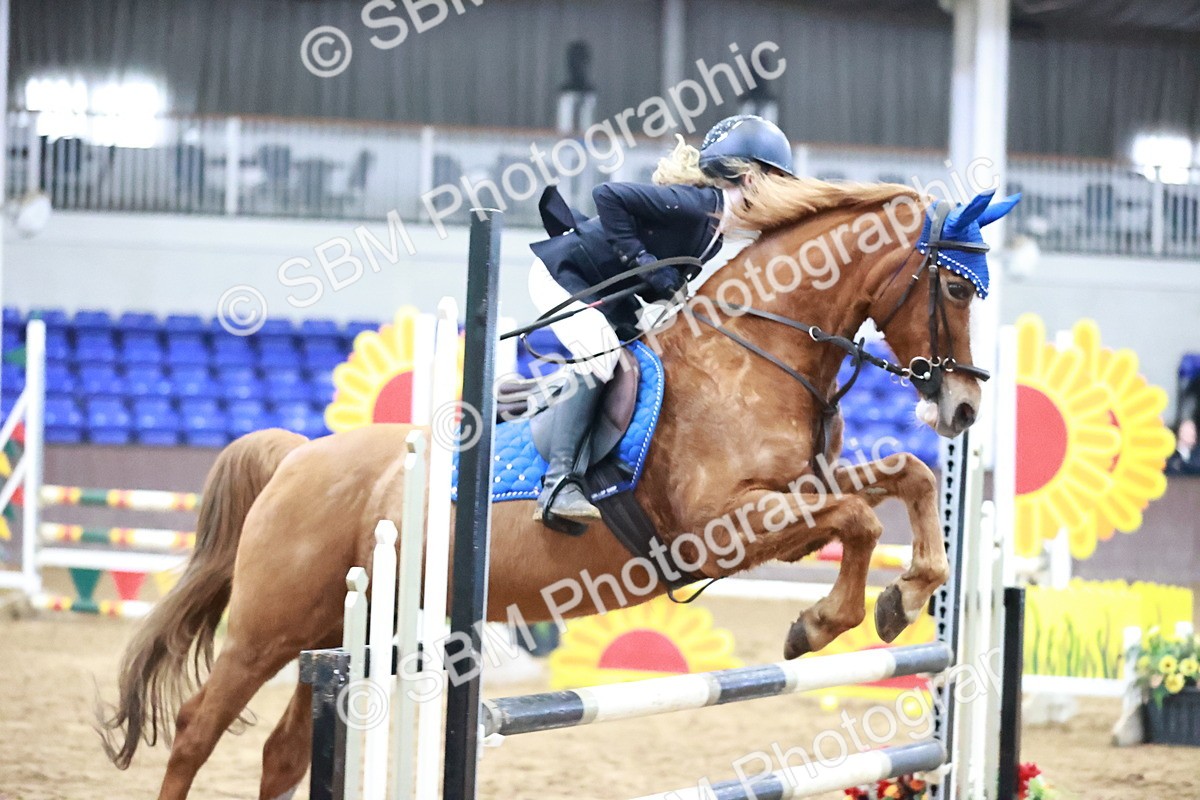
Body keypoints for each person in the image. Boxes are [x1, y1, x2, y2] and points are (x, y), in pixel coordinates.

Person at [526, 114, 796, 524]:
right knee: (601, 354)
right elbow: (607, 195)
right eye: (777, 181)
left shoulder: (715, 232)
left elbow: (660, 279)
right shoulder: (699, 205)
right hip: (562, 275)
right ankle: (559, 484)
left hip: (601, 289)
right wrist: (646, 265)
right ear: (749, 178)